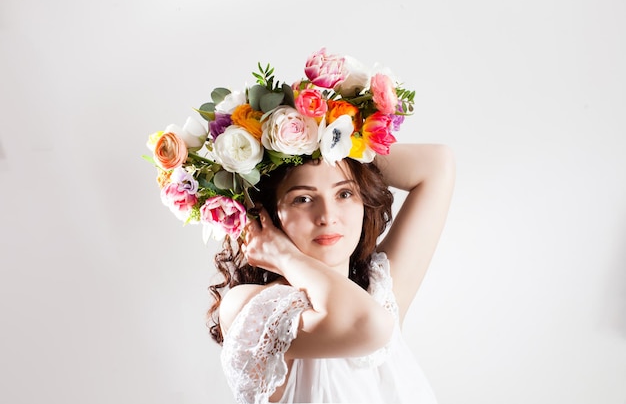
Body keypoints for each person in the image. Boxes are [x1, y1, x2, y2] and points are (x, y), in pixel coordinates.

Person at [145, 48, 455, 404]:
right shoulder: (250, 308)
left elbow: (438, 165)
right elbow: (368, 326)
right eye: (303, 199)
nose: (327, 215)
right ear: (268, 214)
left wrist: (336, 141)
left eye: (344, 194)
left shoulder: (379, 291)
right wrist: (282, 256)